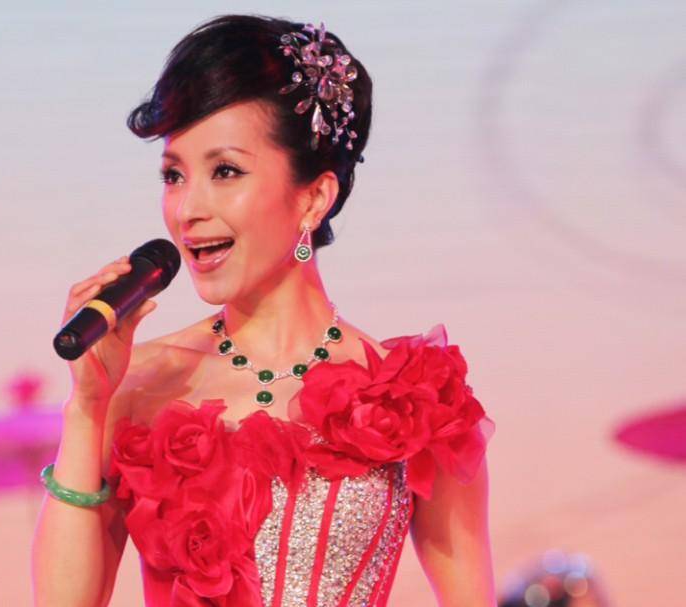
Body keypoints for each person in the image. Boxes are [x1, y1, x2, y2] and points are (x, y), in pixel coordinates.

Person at [32, 14, 496, 607]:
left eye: (225, 171)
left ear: (314, 197)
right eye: (174, 176)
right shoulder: (138, 383)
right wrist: (87, 408)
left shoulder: (415, 400)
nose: (187, 210)